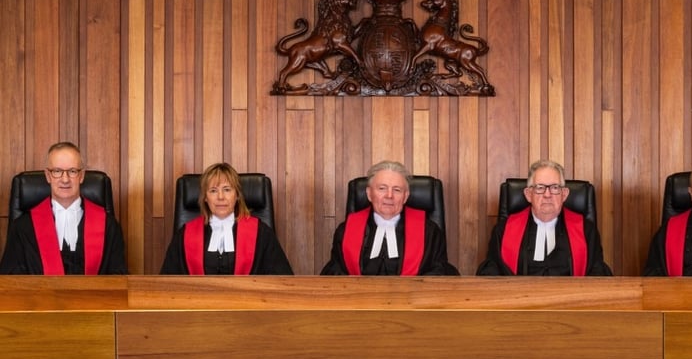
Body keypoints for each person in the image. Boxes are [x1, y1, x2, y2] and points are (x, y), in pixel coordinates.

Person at [0, 142, 127, 275]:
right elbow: (10, 281)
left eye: (72, 171)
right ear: (48, 175)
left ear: (81, 176)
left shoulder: (108, 226)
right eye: (57, 171)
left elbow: (118, 278)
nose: (65, 179)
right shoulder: (22, 228)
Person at [320, 160, 459, 275]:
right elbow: (335, 272)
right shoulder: (346, 230)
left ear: (405, 196)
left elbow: (439, 272)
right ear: (369, 194)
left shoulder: (429, 232)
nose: (389, 195)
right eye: (382, 188)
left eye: (397, 190)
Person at [476, 159, 612, 276]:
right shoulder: (503, 230)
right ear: (528, 194)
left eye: (555, 188)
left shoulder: (586, 230)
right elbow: (492, 272)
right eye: (540, 188)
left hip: (570, 298)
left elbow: (597, 273)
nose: (547, 195)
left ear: (564, 194)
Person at [160, 162, 293, 275]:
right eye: (213, 191)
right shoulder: (185, 234)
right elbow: (167, 283)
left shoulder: (261, 233)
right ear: (205, 197)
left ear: (237, 195)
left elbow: (282, 279)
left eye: (227, 189)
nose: (220, 197)